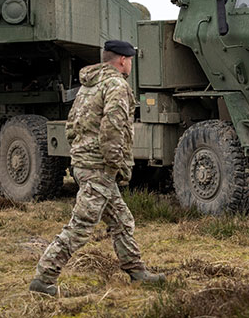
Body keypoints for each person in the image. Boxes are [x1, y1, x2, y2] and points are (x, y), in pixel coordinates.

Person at [30, 39, 165, 296]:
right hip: (99, 168)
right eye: (130, 61)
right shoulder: (116, 85)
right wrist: (117, 165)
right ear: (123, 61)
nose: (131, 66)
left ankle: (137, 271)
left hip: (85, 162)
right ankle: (44, 277)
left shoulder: (88, 86)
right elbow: (113, 129)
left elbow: (72, 125)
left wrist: (81, 154)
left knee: (122, 220)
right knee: (81, 226)